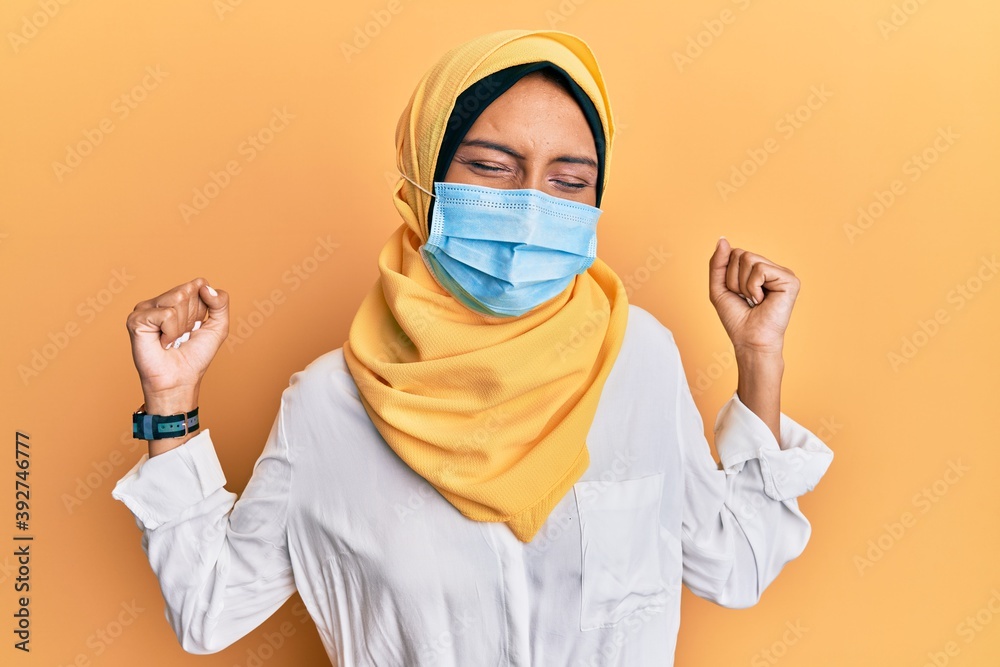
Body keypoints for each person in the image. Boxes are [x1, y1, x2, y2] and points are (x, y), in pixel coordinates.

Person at [113, 29, 834, 666]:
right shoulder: (329, 404)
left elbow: (735, 565)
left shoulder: (638, 356)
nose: (529, 205)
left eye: (569, 180)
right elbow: (209, 610)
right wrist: (170, 402)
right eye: (491, 167)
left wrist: (760, 362)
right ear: (423, 180)